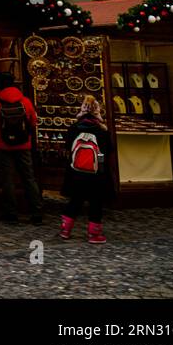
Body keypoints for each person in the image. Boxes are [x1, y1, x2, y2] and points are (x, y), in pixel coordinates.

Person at [0, 71, 43, 224]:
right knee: (28, 177)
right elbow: (33, 122)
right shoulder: (25, 101)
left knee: (7, 179)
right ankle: (36, 212)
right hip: (23, 145)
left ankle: (11, 213)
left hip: (2, 145)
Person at [60, 96, 114, 244]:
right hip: (96, 173)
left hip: (76, 171)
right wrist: (101, 170)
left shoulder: (73, 128)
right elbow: (107, 151)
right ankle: (94, 234)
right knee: (96, 202)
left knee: (75, 200)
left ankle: (65, 230)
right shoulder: (102, 131)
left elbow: (68, 149)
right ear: (97, 111)